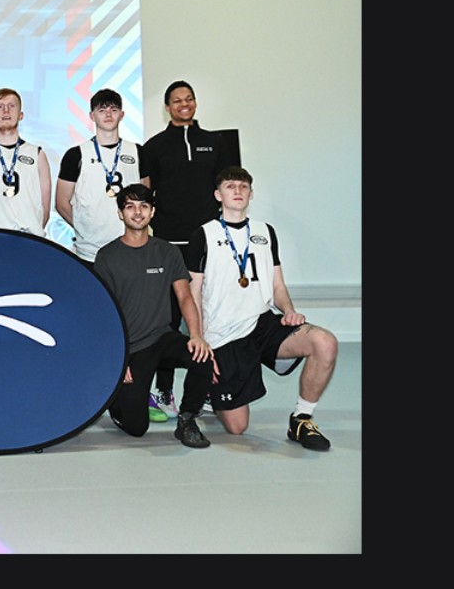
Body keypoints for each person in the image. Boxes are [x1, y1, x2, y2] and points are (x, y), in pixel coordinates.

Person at [186, 167, 338, 451]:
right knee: (237, 428)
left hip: (262, 323)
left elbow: (277, 286)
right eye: (231, 186)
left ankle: (302, 418)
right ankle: (210, 389)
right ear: (218, 195)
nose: (238, 191)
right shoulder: (203, 235)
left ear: (251, 193)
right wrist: (202, 342)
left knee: (325, 342)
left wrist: (289, 309)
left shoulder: (265, 232)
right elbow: (192, 294)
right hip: (225, 334)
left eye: (244, 187)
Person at [93, 183, 214, 448]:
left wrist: (196, 335)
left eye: (144, 206)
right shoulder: (107, 256)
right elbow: (102, 313)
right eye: (130, 206)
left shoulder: (168, 252)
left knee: (202, 356)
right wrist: (118, 358)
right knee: (136, 429)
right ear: (120, 213)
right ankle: (117, 400)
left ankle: (187, 420)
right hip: (131, 348)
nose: (137, 212)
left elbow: (185, 296)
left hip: (162, 338)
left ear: (152, 212)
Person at [141, 80, 233, 419]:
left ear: (195, 103)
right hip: (168, 243)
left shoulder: (215, 142)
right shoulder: (154, 146)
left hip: (207, 242)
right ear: (167, 107)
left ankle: (208, 386)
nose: (184, 104)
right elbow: (146, 193)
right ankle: (164, 392)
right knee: (170, 319)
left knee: (209, 315)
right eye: (177, 100)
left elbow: (226, 186)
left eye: (189, 99)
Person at [56, 88, 146, 267]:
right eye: (102, 110)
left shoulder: (137, 152)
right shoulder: (76, 155)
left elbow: (146, 197)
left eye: (113, 110)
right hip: (89, 252)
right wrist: (84, 229)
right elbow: (61, 203)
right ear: (92, 115)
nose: (108, 115)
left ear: (121, 115)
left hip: (130, 248)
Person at [0, 87, 52, 237]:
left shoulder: (37, 154)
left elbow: (45, 210)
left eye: (11, 106)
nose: (6, 111)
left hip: (30, 240)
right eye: (0, 107)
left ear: (21, 115)